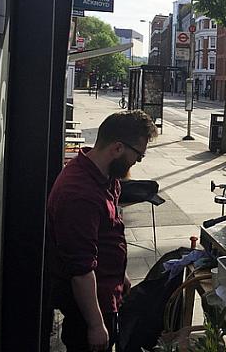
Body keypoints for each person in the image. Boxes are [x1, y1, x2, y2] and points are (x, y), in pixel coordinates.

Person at [47, 110, 158, 352]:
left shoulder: (105, 177)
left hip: (107, 293)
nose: (136, 163)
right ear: (117, 148)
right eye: (137, 156)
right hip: (89, 309)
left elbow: (108, 234)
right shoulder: (79, 194)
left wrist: (121, 276)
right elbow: (81, 270)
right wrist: (96, 325)